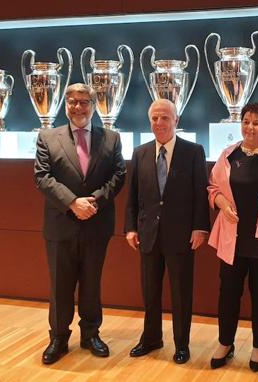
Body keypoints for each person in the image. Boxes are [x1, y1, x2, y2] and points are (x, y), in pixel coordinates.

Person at [33, 83, 127, 364]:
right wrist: (73, 202)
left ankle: (90, 334)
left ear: (94, 105)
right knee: (60, 285)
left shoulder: (111, 138)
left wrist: (94, 202)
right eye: (72, 102)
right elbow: (42, 177)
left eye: (84, 102)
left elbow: (119, 175)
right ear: (66, 104)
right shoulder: (47, 137)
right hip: (61, 224)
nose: (78, 107)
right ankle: (58, 338)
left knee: (91, 283)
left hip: (96, 224)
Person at [207, 103, 258, 372]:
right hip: (232, 237)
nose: (250, 127)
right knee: (228, 292)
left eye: (256, 123)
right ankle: (225, 342)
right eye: (246, 121)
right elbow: (211, 188)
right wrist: (220, 202)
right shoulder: (228, 155)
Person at [124, 98, 210, 364]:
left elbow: (200, 193)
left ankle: (181, 344)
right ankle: (151, 338)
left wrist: (200, 227)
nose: (159, 123)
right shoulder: (140, 153)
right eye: (154, 118)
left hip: (181, 235)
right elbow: (133, 195)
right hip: (148, 235)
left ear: (176, 121)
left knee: (181, 293)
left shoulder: (193, 151)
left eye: (165, 118)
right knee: (150, 291)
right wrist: (130, 228)